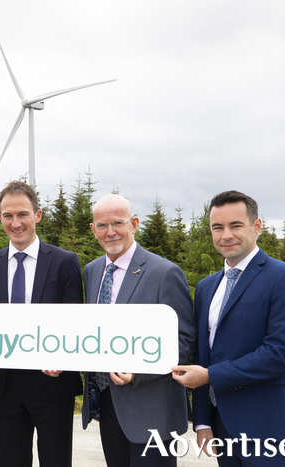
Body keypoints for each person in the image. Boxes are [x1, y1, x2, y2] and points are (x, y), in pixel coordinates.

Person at [172, 190, 285, 466]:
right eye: (217, 227)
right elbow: (203, 355)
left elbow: (281, 354)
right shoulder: (205, 287)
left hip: (272, 429)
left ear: (256, 226)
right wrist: (202, 422)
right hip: (223, 428)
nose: (226, 235)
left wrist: (210, 376)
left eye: (235, 225)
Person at [81, 194, 196, 467]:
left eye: (117, 223)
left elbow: (184, 339)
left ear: (134, 224)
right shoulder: (92, 271)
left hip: (152, 407)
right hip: (108, 405)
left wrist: (139, 368)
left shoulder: (165, 272)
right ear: (93, 229)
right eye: (101, 225)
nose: (110, 232)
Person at [0, 181, 83, 467]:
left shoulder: (64, 262)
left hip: (52, 383)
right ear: (0, 218)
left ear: (37, 215)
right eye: (7, 216)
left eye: (22, 214)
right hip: (4, 386)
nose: (15, 222)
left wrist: (63, 356)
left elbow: (74, 321)